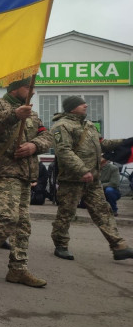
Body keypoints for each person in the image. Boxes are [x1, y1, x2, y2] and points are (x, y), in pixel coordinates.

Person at [0, 78, 52, 287]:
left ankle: (18, 269)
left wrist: (34, 146)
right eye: (28, 87)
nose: (32, 92)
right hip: (4, 171)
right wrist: (14, 115)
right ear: (15, 88)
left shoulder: (32, 114)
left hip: (25, 173)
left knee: (23, 225)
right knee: (7, 218)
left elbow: (47, 136)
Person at [50, 96, 133, 261]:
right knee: (66, 213)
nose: (86, 105)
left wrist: (124, 142)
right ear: (72, 108)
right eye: (81, 103)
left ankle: (118, 245)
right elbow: (64, 151)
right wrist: (82, 170)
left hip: (93, 179)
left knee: (103, 210)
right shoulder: (61, 126)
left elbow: (101, 144)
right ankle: (61, 245)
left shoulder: (88, 125)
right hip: (72, 179)